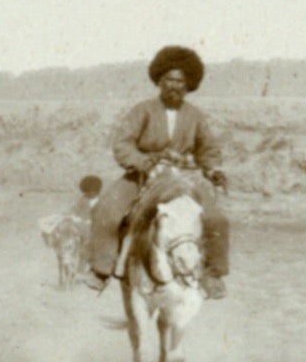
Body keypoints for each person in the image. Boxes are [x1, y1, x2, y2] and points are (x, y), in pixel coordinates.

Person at [85, 46, 230, 298]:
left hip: (182, 177)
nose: (175, 86)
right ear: (160, 81)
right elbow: (123, 144)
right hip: (143, 175)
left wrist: (213, 169)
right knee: (106, 211)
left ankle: (212, 274)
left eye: (181, 81)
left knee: (217, 220)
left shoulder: (196, 116)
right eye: (170, 80)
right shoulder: (141, 110)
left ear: (189, 85)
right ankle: (101, 269)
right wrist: (143, 162)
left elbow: (208, 150)